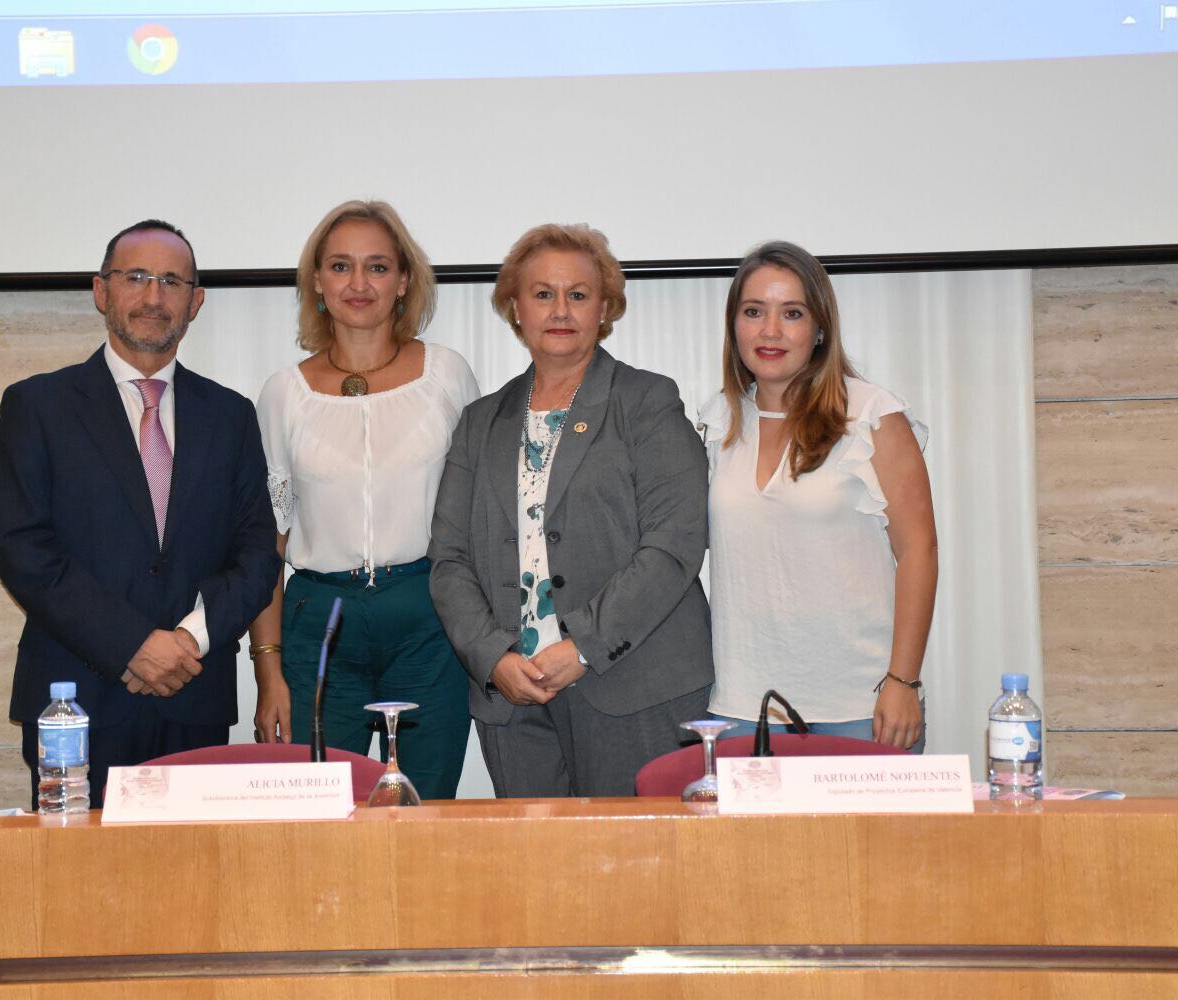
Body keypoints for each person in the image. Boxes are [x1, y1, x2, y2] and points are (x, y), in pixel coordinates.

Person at [0, 219, 280, 808]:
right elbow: (25, 552)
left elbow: (256, 553)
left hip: (193, 695)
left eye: (172, 282)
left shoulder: (231, 416)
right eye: (137, 277)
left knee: (193, 889)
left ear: (195, 303)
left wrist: (187, 641)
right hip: (77, 706)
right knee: (80, 890)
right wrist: (132, 644)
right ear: (102, 291)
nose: (154, 297)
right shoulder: (37, 406)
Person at [429, 223, 713, 797]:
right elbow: (449, 559)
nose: (560, 310)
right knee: (541, 879)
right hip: (514, 693)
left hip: (632, 684)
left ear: (605, 307)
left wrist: (582, 645)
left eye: (578, 295)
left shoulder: (647, 401)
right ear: (515, 306)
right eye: (542, 294)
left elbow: (674, 542)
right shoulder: (480, 422)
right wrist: (493, 657)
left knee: (639, 872)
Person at [249, 201, 479, 800]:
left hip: (429, 617)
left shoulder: (448, 376)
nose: (359, 283)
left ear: (404, 281)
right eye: (341, 266)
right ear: (318, 283)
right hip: (320, 624)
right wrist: (267, 672)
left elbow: (485, 518)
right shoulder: (282, 394)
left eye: (377, 267)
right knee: (324, 818)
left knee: (426, 813)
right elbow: (266, 547)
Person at [699, 240, 937, 751]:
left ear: (820, 327)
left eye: (792, 313)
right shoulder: (717, 420)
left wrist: (903, 682)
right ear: (733, 324)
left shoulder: (871, 415)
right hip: (742, 706)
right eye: (753, 312)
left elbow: (919, 551)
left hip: (862, 706)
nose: (770, 331)